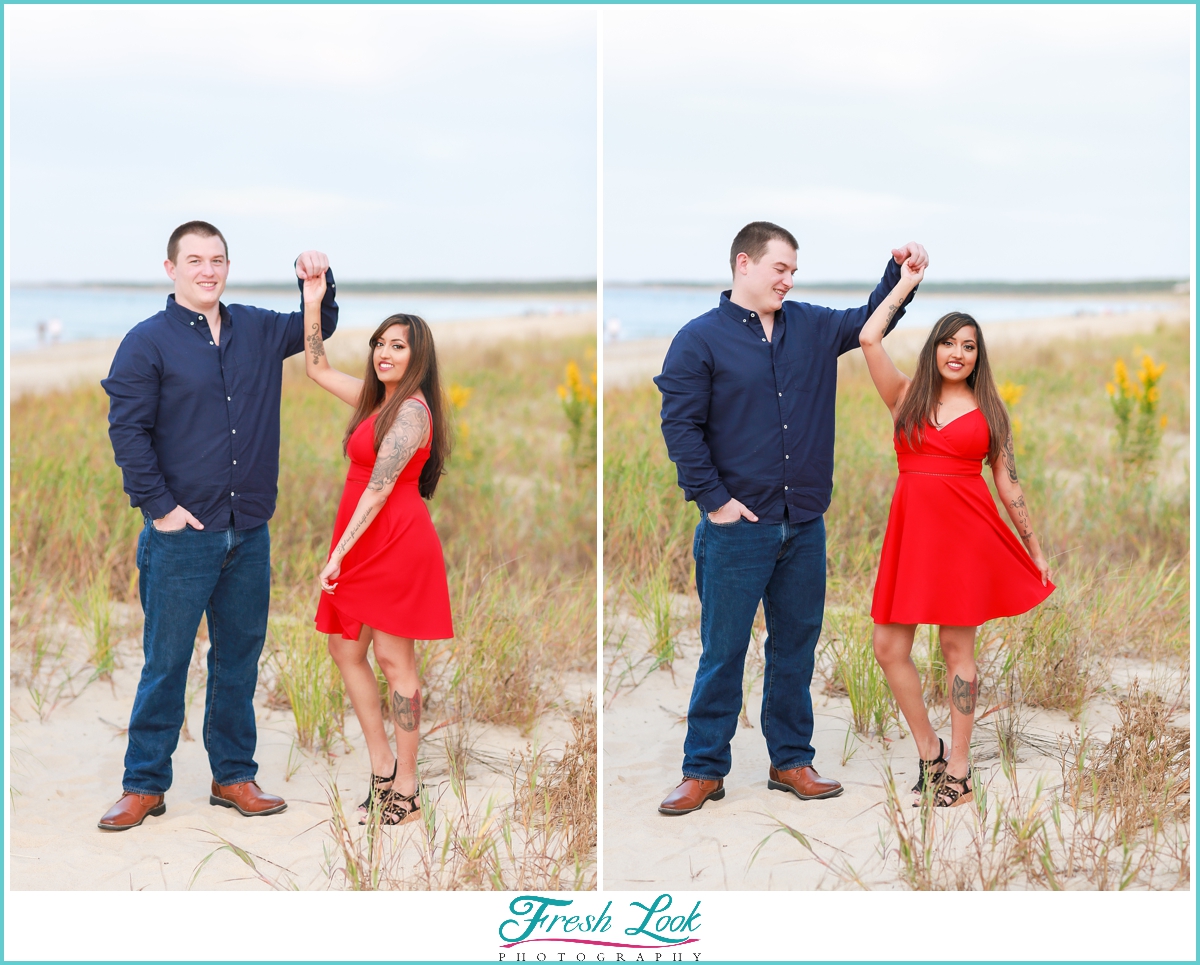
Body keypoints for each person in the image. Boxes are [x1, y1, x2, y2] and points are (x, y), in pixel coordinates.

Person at [654, 221, 928, 816]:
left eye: (794, 272)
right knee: (722, 650)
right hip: (736, 528)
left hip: (804, 521)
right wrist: (716, 502)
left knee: (795, 647)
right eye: (780, 269)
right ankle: (703, 770)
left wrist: (902, 278)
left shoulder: (811, 325)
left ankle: (791, 761)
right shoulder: (698, 340)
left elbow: (867, 321)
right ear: (744, 264)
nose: (789, 280)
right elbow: (680, 428)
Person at [98, 221, 338, 831]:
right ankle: (144, 785)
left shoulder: (257, 328)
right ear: (171, 268)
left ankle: (232, 775)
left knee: (238, 659)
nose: (208, 270)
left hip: (249, 529)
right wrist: (160, 508)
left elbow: (319, 327)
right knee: (166, 662)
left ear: (228, 267)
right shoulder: (146, 341)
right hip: (182, 535)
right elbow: (128, 433)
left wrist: (318, 283)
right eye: (196, 260)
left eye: (218, 260)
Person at [858, 263, 1054, 808]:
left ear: (977, 357)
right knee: (889, 646)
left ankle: (961, 773)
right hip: (912, 538)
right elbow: (869, 335)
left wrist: (1034, 547)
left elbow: (1009, 483)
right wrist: (904, 280)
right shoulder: (904, 396)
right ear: (933, 349)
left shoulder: (990, 411)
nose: (957, 352)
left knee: (954, 648)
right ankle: (930, 751)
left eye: (968, 346)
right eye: (948, 342)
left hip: (966, 539)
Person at [301, 270, 454, 826]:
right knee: (345, 649)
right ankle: (382, 765)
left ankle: (407, 792)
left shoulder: (411, 412)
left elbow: (380, 487)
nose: (385, 354)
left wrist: (338, 553)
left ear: (418, 358)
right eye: (380, 345)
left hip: (392, 541)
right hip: (362, 537)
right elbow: (316, 366)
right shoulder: (374, 399)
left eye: (398, 346)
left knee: (394, 661)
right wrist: (312, 300)